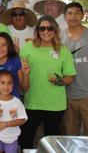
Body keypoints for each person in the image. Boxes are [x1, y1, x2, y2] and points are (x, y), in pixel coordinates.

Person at [19, 16, 76, 149]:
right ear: (37, 31)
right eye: (42, 28)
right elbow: (21, 74)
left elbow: (70, 76)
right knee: (26, 139)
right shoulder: (27, 48)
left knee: (52, 142)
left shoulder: (63, 50)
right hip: (32, 102)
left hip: (55, 105)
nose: (46, 31)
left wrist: (60, 81)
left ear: (55, 30)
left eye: (50, 28)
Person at [61, 2, 88, 136]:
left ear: (82, 15)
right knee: (70, 135)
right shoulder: (59, 37)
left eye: (77, 13)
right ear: (65, 16)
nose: (73, 16)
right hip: (67, 94)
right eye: (70, 13)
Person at [0, 71, 27, 153]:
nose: (6, 86)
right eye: (2, 83)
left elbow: (23, 120)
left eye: (9, 83)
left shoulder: (17, 102)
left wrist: (6, 124)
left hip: (12, 138)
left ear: (13, 84)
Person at [0, 32, 27, 99]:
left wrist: (26, 74)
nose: (0, 48)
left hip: (14, 102)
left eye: (4, 45)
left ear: (9, 46)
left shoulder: (16, 61)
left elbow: (23, 88)